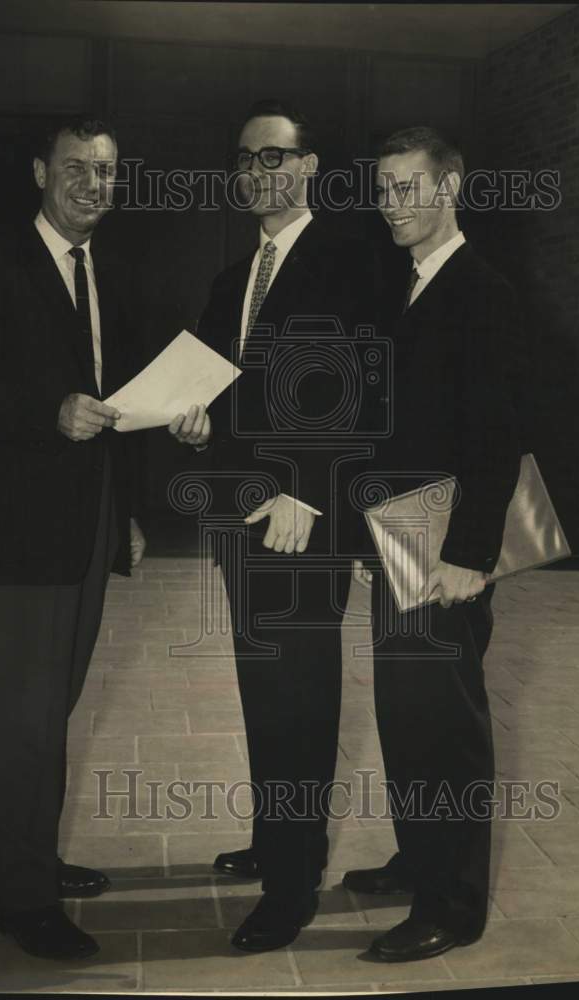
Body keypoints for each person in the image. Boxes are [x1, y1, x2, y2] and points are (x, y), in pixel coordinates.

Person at [0, 115, 146, 961]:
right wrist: (47, 411)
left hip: (87, 526)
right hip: (19, 534)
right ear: (38, 173)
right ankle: (26, 903)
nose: (93, 185)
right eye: (75, 168)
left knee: (47, 705)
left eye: (106, 171)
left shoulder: (107, 273)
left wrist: (124, 511)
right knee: (21, 716)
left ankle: (10, 858)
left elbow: (115, 403)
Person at [169, 99, 375, 952]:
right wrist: (196, 424)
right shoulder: (234, 279)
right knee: (264, 689)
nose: (256, 172)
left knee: (300, 698)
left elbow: (365, 389)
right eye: (245, 158)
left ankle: (292, 885)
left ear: (309, 166)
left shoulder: (350, 260)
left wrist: (309, 491)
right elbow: (224, 392)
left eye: (274, 157)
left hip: (305, 521)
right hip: (240, 517)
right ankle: (272, 838)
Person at [343, 126, 524, 962]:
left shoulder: (482, 291)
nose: (391, 204)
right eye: (382, 189)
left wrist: (470, 555)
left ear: (449, 188)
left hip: (445, 546)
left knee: (446, 725)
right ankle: (420, 857)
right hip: (398, 537)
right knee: (405, 711)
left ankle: (452, 905)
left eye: (407, 187)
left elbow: (495, 434)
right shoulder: (405, 285)